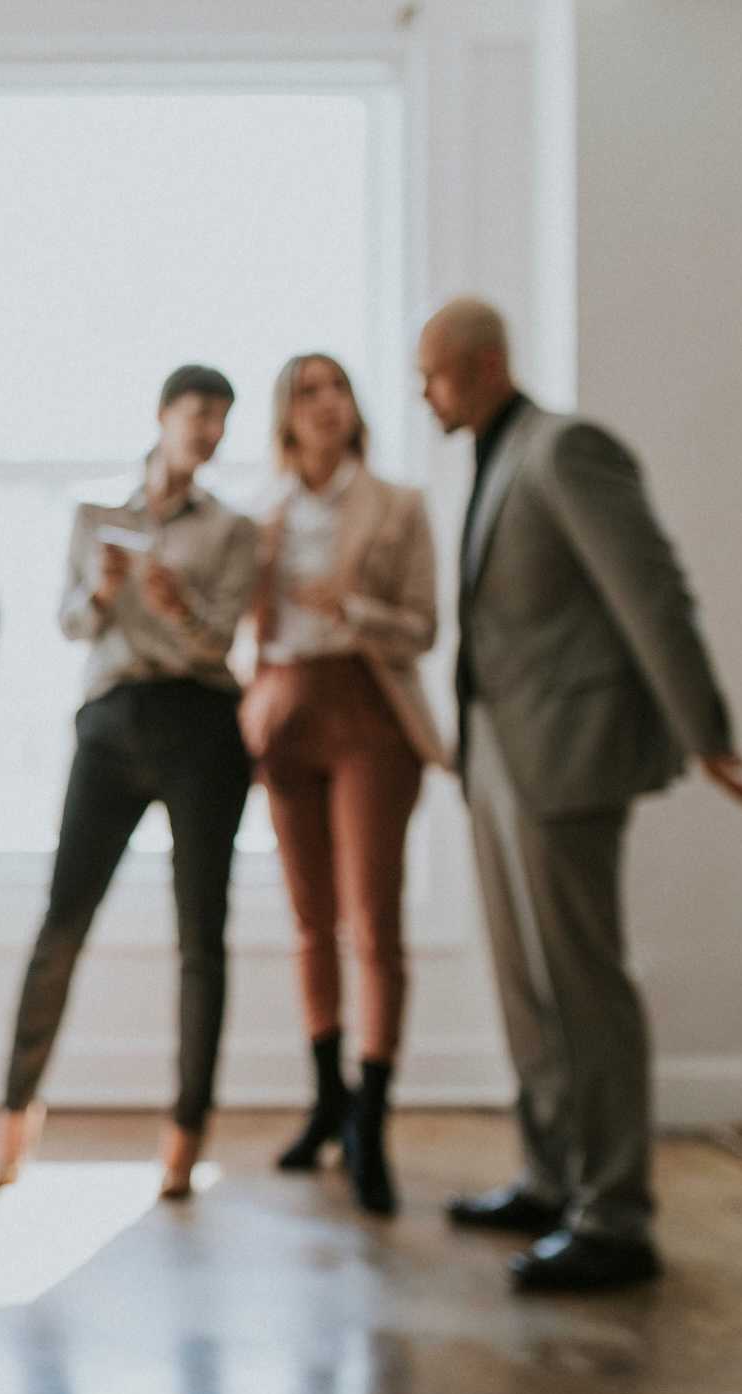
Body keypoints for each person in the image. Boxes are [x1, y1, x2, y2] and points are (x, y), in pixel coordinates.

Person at [419, 296, 742, 1291]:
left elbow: (649, 589)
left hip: (566, 761)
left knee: (582, 984)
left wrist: (708, 734)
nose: (422, 392)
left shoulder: (565, 450)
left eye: (433, 373)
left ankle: (616, 1214)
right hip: (494, 758)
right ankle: (552, 1174)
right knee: (526, 990)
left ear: (482, 365)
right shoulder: (493, 459)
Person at [0, 365, 259, 1199]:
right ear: (163, 416)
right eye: (198, 414)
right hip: (110, 721)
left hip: (203, 727)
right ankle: (11, 1116)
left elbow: (222, 645)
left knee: (200, 937)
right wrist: (106, 591)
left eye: (221, 419)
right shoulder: (95, 512)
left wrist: (175, 604)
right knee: (62, 921)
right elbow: (70, 622)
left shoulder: (234, 530)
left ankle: (186, 1133)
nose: (209, 431)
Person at [242, 353, 448, 1216]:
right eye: (307, 392)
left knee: (374, 919)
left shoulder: (397, 505)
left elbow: (425, 627)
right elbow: (242, 625)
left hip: (368, 710)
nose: (327, 404)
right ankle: (326, 1095)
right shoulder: (263, 517)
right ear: (285, 417)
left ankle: (372, 1115)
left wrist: (349, 608)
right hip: (286, 710)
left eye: (338, 389)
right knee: (308, 919)